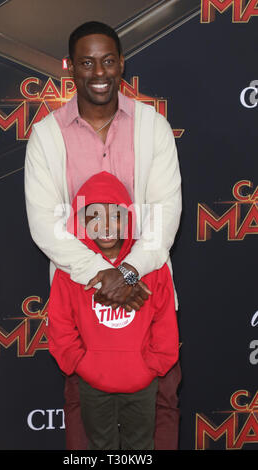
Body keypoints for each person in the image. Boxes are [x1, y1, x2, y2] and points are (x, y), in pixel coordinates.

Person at [24, 21, 182, 449]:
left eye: (108, 61)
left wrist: (128, 273)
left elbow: (165, 216)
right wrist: (104, 275)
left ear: (122, 65)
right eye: (87, 62)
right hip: (81, 307)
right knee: (83, 419)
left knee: (161, 410)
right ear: (69, 68)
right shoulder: (46, 135)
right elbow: (45, 225)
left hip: (148, 301)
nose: (99, 72)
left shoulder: (153, 127)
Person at [47, 171, 179, 450]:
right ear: (80, 222)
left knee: (142, 448)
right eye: (93, 216)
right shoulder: (70, 272)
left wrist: (152, 365)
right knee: (98, 447)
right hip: (93, 383)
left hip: (142, 382)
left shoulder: (149, 266)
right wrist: (82, 364)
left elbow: (164, 320)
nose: (105, 226)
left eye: (115, 216)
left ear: (129, 219)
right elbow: (60, 324)